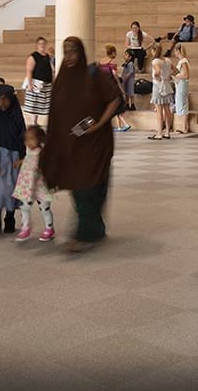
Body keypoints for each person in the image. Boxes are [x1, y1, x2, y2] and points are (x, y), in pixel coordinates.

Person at [40, 37, 123, 253]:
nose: (69, 57)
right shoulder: (63, 79)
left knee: (88, 187)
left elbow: (115, 99)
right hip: (71, 146)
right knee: (78, 187)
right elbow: (57, 115)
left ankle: (84, 234)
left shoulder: (93, 75)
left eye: (73, 51)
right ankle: (94, 229)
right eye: (66, 52)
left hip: (94, 145)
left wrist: (98, 124)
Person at [0, 83, 26, 233]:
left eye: (6, 99)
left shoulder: (17, 118)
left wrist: (22, 157)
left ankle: (10, 218)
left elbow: (23, 138)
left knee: (12, 190)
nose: (2, 103)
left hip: (14, 160)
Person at [13, 125, 54, 242]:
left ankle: (49, 228)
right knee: (24, 207)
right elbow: (28, 159)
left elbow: (45, 167)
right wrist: (20, 162)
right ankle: (25, 227)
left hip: (40, 187)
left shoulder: (42, 153)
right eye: (26, 139)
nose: (27, 142)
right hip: (27, 186)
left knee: (44, 208)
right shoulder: (29, 152)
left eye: (31, 139)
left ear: (40, 139)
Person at [99, 44, 132, 132]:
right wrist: (121, 88)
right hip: (111, 88)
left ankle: (118, 125)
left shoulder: (101, 62)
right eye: (115, 53)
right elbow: (115, 76)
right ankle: (122, 125)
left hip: (102, 87)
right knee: (116, 108)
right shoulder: (112, 64)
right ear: (113, 53)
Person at [23, 37, 54, 125]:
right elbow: (29, 70)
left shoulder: (47, 57)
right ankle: (34, 122)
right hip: (36, 84)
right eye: (40, 44)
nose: (42, 45)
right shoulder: (33, 56)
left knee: (44, 105)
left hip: (46, 84)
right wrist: (30, 84)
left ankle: (40, 122)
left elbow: (51, 70)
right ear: (37, 45)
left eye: (44, 43)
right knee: (35, 104)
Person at [148, 45, 175, 140]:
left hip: (158, 86)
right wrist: (168, 76)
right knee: (167, 110)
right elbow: (176, 70)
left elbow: (157, 71)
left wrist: (157, 76)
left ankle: (159, 133)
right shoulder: (167, 60)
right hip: (167, 86)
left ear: (154, 50)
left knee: (159, 111)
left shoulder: (155, 61)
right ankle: (167, 132)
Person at [173, 44, 192, 134]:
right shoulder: (181, 61)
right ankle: (183, 126)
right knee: (180, 103)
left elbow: (186, 75)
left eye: (175, 51)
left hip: (182, 84)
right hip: (179, 84)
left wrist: (177, 76)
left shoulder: (183, 61)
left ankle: (185, 127)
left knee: (183, 103)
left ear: (178, 51)